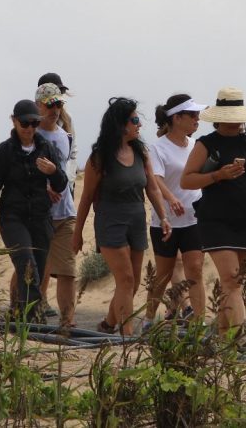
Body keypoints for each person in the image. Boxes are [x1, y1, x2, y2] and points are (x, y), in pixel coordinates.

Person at [181, 87, 246, 334]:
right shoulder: (206, 144)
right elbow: (187, 180)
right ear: (219, 116)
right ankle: (238, 339)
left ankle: (224, 339)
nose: (234, 122)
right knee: (231, 279)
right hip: (215, 219)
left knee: (232, 282)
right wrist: (218, 175)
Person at [73, 97, 172, 335]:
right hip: (110, 221)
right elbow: (86, 198)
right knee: (126, 279)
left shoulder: (141, 152)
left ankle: (108, 323)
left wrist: (163, 216)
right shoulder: (99, 158)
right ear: (120, 124)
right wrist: (77, 234)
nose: (139, 125)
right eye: (135, 120)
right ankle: (126, 336)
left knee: (133, 282)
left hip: (136, 219)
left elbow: (152, 187)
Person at [0, 100, 67, 321]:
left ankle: (19, 314)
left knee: (35, 267)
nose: (29, 128)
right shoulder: (4, 150)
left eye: (34, 123)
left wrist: (53, 171)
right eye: (24, 123)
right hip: (12, 218)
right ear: (14, 121)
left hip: (40, 218)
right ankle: (35, 318)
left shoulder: (46, 148)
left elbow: (60, 185)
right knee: (26, 264)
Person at [143, 94, 207, 329]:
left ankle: (199, 323)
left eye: (197, 115)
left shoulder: (196, 145)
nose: (197, 119)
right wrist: (171, 200)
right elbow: (155, 179)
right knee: (162, 275)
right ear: (176, 118)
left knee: (196, 270)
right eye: (192, 115)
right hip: (166, 221)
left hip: (193, 218)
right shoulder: (158, 148)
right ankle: (149, 319)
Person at [35, 83, 78, 327]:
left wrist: (57, 183)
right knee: (35, 268)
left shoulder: (64, 136)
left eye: (59, 104)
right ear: (39, 105)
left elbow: (65, 171)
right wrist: (45, 188)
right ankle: (28, 311)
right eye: (50, 104)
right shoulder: (32, 134)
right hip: (39, 213)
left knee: (67, 270)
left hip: (65, 211)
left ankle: (67, 321)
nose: (55, 109)